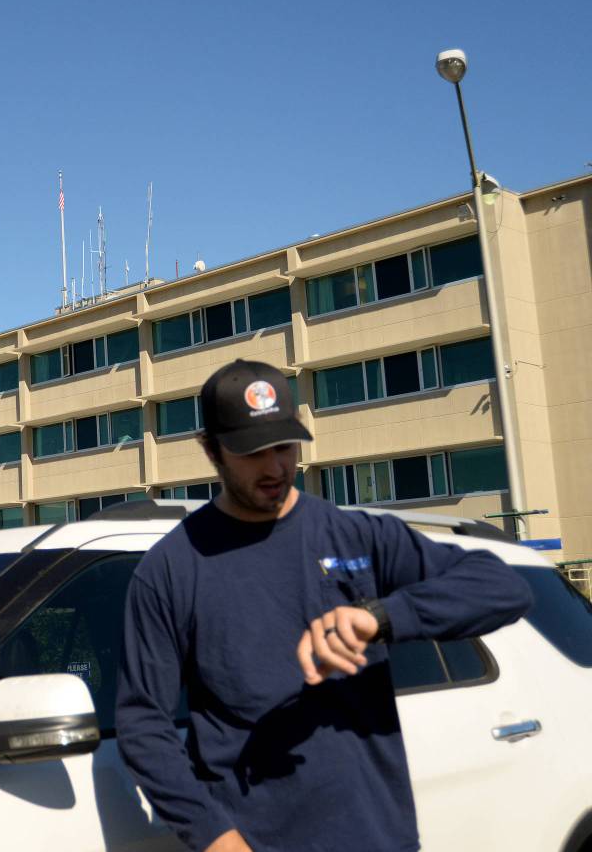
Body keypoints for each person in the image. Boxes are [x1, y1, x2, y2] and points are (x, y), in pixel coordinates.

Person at [115, 360, 533, 852]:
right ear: (212, 450)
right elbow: (144, 724)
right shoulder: (172, 569)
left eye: (284, 446)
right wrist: (216, 838)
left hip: (377, 838)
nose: (275, 467)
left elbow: (503, 587)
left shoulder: (357, 534)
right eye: (253, 452)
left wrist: (379, 617)